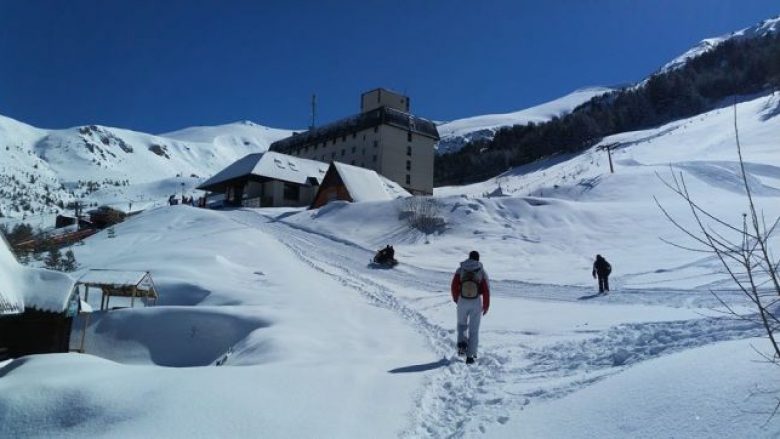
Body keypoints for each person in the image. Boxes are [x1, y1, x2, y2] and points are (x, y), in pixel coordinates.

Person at [451, 250, 490, 364]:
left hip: (462, 300)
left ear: (469, 258)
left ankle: (462, 347)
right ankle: (470, 356)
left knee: (462, 325)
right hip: (476, 301)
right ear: (478, 259)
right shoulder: (481, 271)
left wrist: (456, 299)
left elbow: (454, 285)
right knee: (474, 330)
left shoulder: (460, 269)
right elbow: (486, 289)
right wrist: (486, 305)